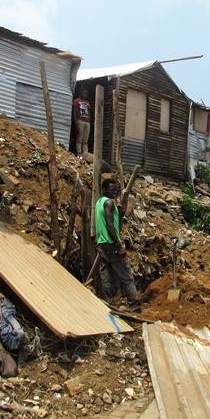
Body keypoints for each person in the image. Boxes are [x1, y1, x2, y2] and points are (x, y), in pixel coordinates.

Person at [94, 178, 142, 313]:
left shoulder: (99, 202)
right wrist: (119, 245)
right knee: (126, 274)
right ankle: (135, 304)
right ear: (104, 189)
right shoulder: (109, 203)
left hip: (102, 243)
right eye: (111, 189)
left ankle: (109, 303)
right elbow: (110, 225)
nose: (115, 192)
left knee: (106, 273)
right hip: (111, 244)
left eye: (116, 190)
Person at [72, 88, 92, 155]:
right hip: (80, 121)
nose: (85, 95)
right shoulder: (76, 101)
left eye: (86, 93)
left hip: (87, 122)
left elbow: (89, 112)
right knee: (79, 138)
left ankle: (85, 154)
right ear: (81, 93)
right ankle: (79, 153)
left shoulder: (87, 102)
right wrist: (76, 122)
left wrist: (90, 121)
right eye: (84, 93)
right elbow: (74, 112)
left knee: (85, 140)